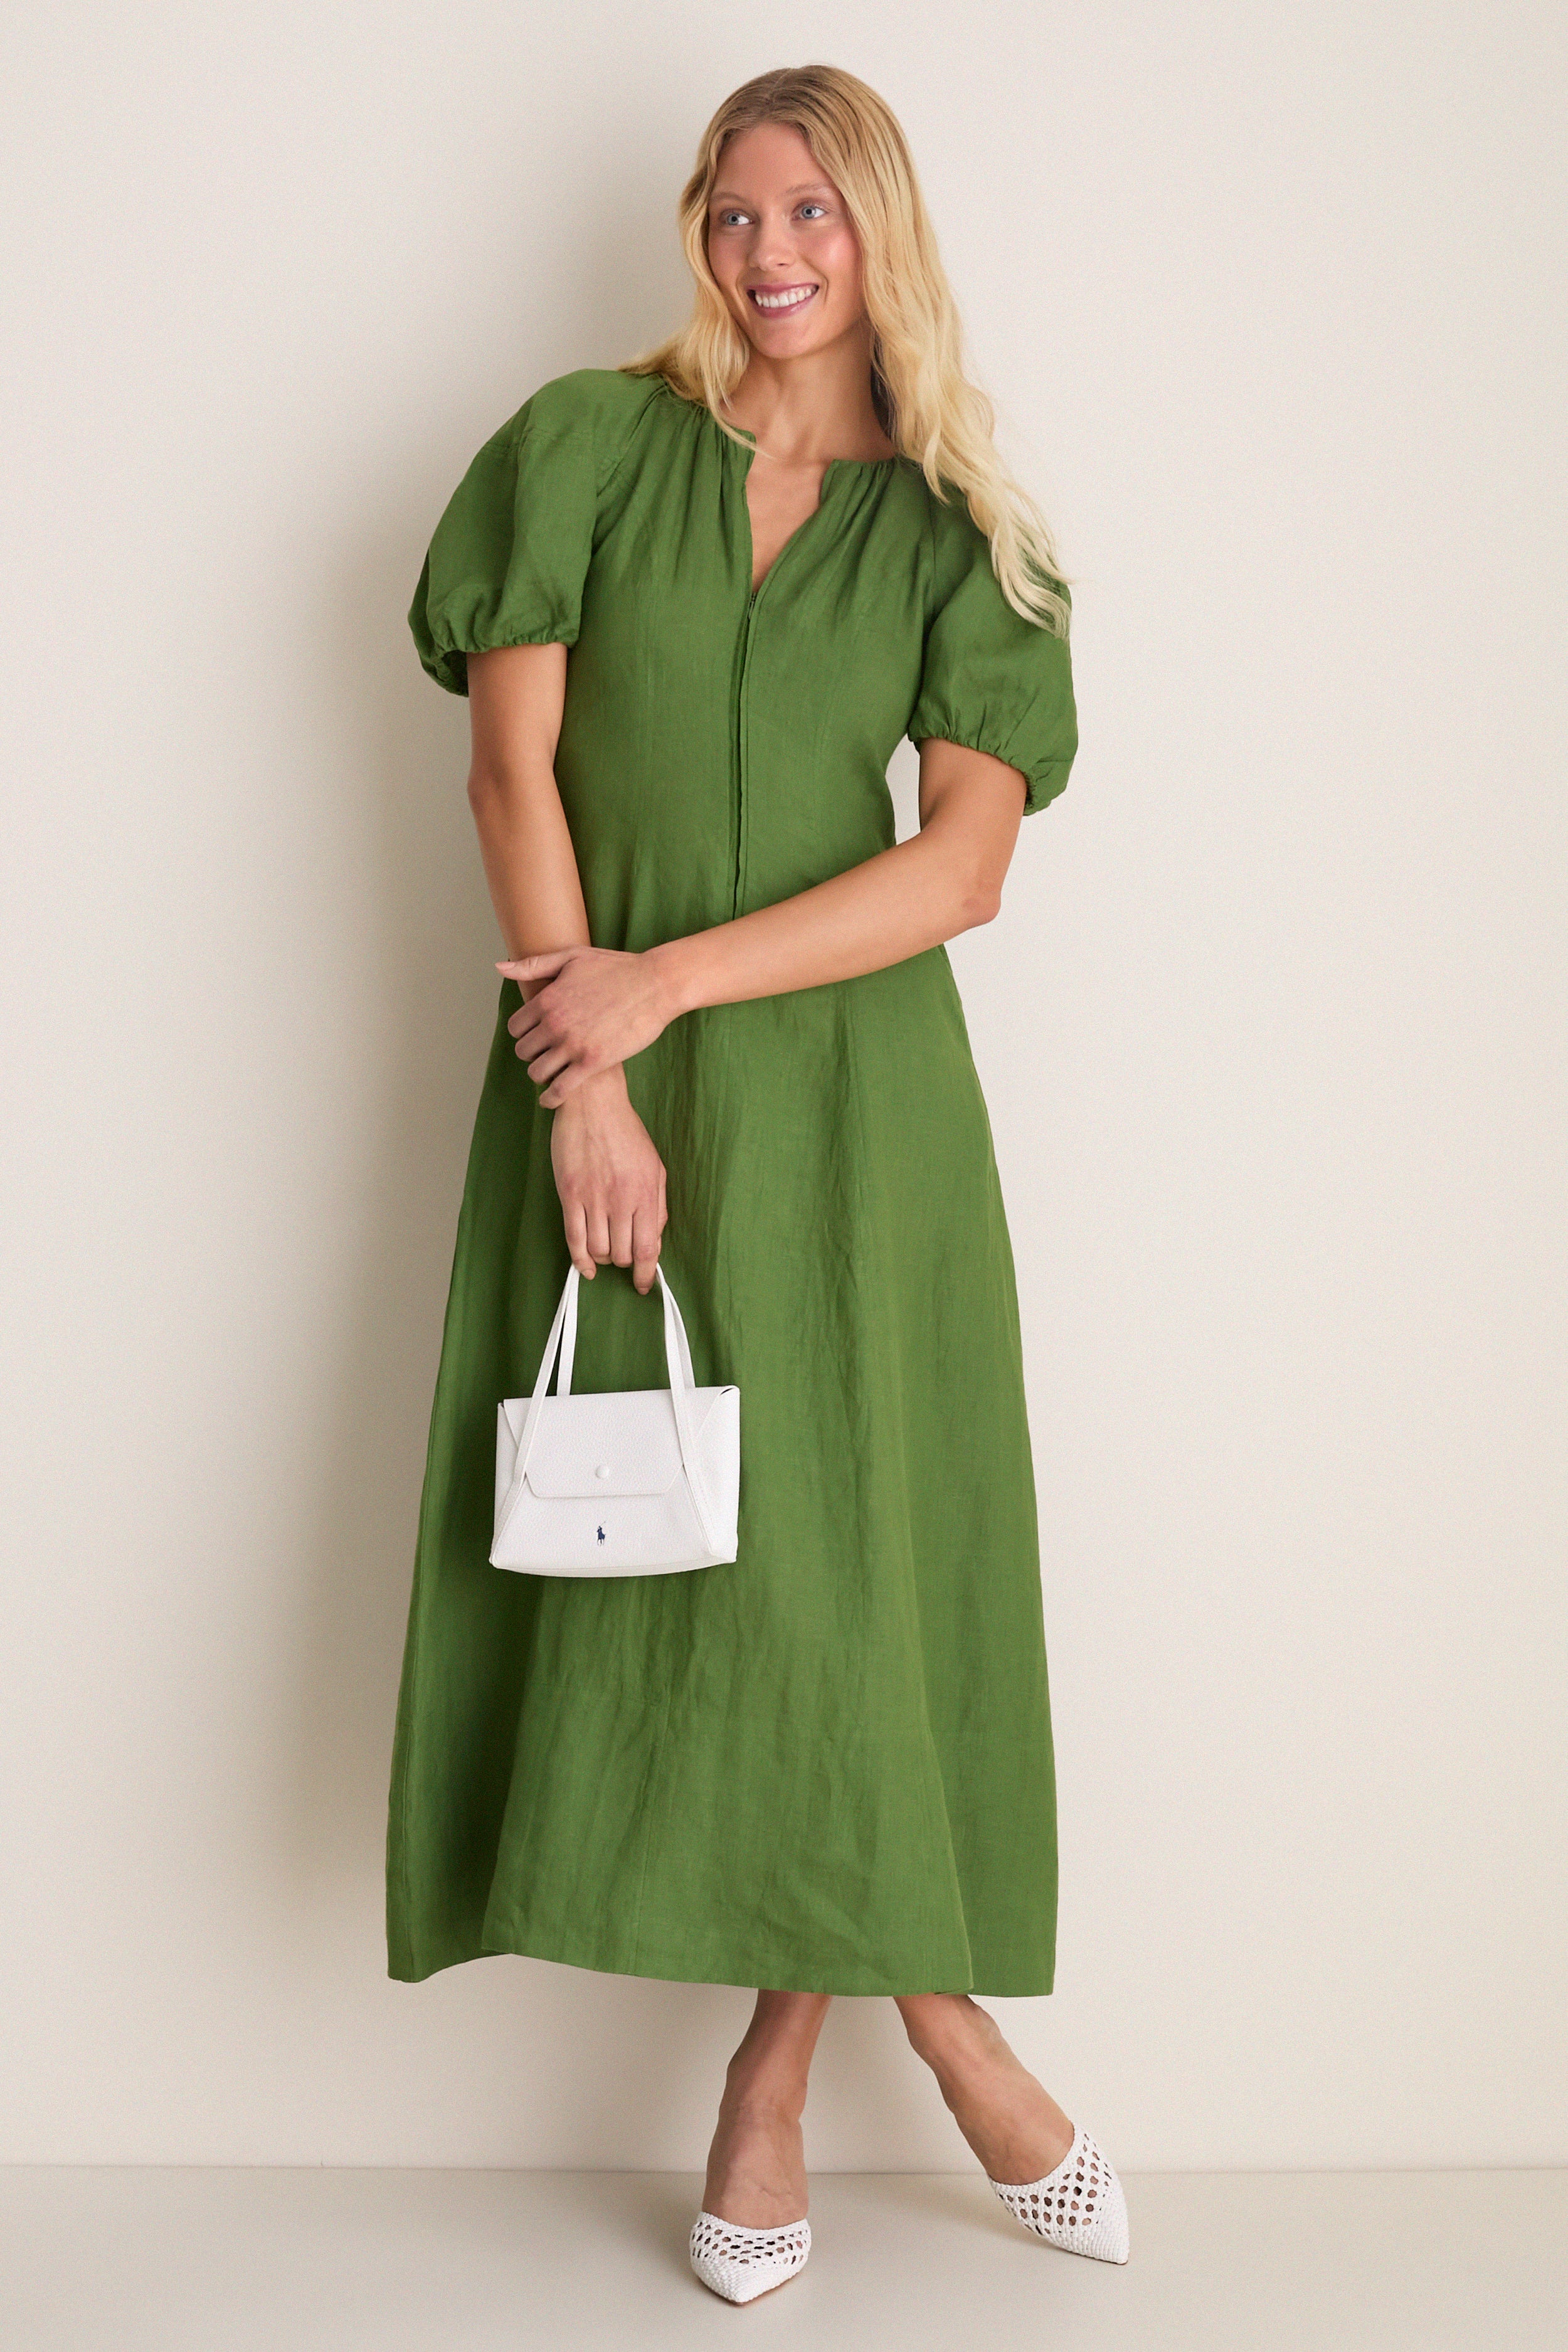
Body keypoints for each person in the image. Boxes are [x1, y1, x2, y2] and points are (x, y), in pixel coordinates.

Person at [387, 63, 1128, 2302]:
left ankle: (777, 2085)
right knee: (727, 1580)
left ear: (876, 226)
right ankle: (947, 2041)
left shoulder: (959, 536)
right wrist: (579, 1065)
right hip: (594, 1085)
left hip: (854, 1121)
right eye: (731, 211)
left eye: (809, 208)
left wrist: (661, 983)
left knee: (844, 1590)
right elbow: (511, 766)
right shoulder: (583, 450)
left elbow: (962, 872)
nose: (768, 249)